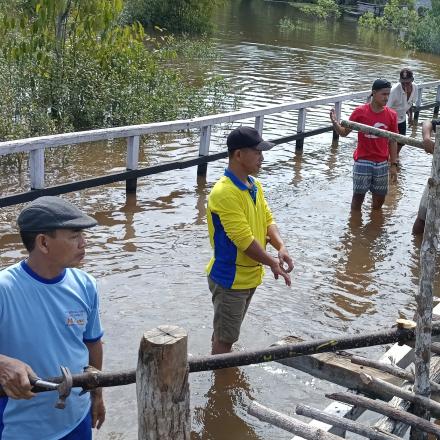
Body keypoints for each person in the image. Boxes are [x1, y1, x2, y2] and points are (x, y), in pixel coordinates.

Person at [0, 196, 105, 440]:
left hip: (75, 419)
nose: (84, 243)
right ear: (44, 243)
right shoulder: (4, 289)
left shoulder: (85, 284)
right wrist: (3, 364)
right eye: (74, 235)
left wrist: (97, 394)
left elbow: (92, 343)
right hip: (20, 428)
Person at [206, 126, 294, 355]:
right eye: (257, 152)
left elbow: (267, 219)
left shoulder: (254, 186)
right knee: (225, 340)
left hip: (250, 275)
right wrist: (272, 262)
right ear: (238, 155)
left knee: (226, 333)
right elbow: (243, 240)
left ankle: (220, 369)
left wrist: (280, 246)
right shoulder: (224, 193)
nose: (262, 158)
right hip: (230, 278)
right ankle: (221, 384)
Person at [330, 78, 399, 211]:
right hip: (363, 160)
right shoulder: (360, 112)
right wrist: (334, 123)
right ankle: (354, 226)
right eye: (383, 94)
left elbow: (393, 140)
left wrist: (393, 165)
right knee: (358, 198)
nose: (386, 98)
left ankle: (374, 226)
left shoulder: (392, 115)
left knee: (379, 200)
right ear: (374, 93)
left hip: (381, 162)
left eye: (388, 94)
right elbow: (344, 133)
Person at [412, 119, 439, 235]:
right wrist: (427, 138)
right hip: (436, 179)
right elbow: (427, 123)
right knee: (421, 221)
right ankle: (415, 249)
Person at [387, 68, 418, 161]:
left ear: (412, 80)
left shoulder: (415, 88)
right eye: (402, 83)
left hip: (402, 118)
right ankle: (389, 159)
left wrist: (410, 117)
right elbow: (386, 108)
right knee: (390, 140)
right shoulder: (394, 91)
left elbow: (410, 103)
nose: (405, 85)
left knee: (402, 141)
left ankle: (394, 156)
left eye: (407, 83)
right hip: (391, 118)